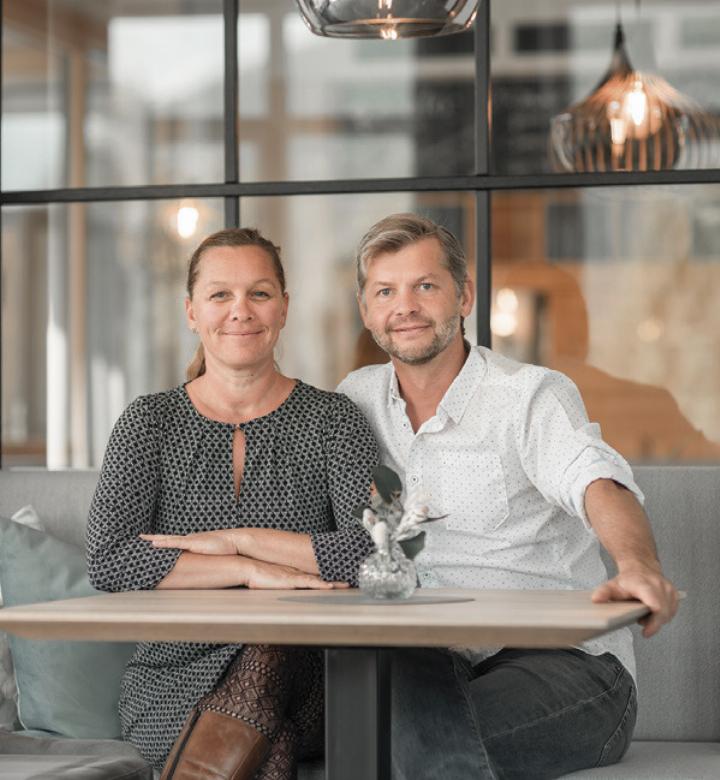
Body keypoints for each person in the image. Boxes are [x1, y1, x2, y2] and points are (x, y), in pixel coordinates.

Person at [337, 213, 679, 779]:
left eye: (426, 286)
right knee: (357, 721)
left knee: (410, 746)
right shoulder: (354, 400)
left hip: (565, 663)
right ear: (366, 309)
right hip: (427, 652)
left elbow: (596, 480)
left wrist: (638, 565)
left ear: (464, 296)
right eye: (385, 292)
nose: (406, 307)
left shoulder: (528, 395)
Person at [86, 228, 378, 780]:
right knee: (271, 738)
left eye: (259, 293)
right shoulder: (149, 423)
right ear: (192, 311)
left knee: (271, 645)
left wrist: (242, 540)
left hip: (309, 674)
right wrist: (246, 570)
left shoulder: (334, 420)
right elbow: (110, 559)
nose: (240, 310)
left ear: (284, 308)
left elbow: (373, 554)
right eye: (220, 294)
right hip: (172, 677)